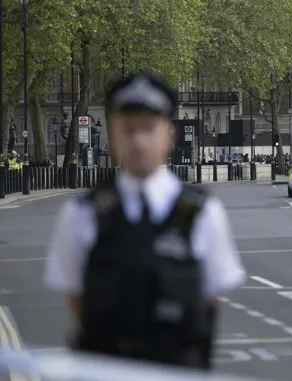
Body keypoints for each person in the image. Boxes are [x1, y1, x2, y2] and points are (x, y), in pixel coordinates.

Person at [44, 74, 246, 369]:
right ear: (113, 135)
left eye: (149, 129)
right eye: (128, 129)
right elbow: (76, 299)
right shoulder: (82, 213)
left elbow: (208, 298)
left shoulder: (202, 211)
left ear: (169, 134)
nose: (138, 141)